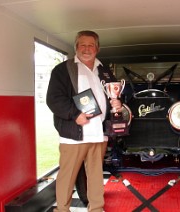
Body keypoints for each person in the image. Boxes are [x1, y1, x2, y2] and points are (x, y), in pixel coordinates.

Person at [46, 30, 122, 212]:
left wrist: (117, 103)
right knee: (67, 175)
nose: (86, 49)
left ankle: (96, 208)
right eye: (82, 44)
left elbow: (112, 95)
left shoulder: (104, 70)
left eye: (91, 45)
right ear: (76, 47)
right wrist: (75, 114)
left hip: (99, 133)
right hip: (74, 134)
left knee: (95, 175)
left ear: (97, 48)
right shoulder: (63, 69)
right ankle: (62, 210)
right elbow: (54, 99)